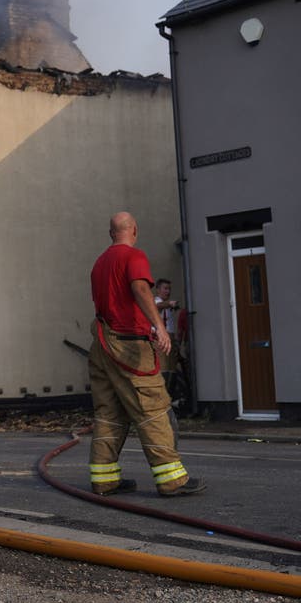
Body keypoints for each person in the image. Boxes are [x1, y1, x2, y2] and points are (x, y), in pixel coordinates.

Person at [87, 213, 205, 497]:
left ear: (110, 232)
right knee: (152, 408)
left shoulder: (99, 263)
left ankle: (104, 479)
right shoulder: (134, 256)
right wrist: (160, 329)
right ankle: (171, 479)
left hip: (102, 345)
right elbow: (139, 289)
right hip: (129, 346)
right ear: (135, 230)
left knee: (110, 411)